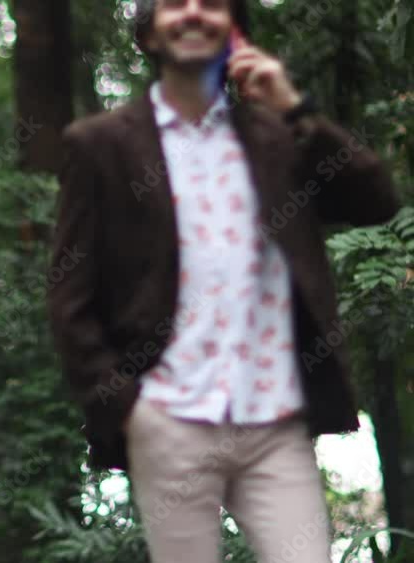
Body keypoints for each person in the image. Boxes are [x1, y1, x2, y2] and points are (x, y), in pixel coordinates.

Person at [46, 0, 402, 561]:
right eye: (175, 3)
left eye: (211, 3)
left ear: (233, 30)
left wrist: (294, 105)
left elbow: (376, 200)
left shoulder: (275, 135)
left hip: (275, 424)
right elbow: (70, 298)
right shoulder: (102, 144)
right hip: (168, 423)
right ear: (149, 34)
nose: (193, 14)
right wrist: (129, 410)